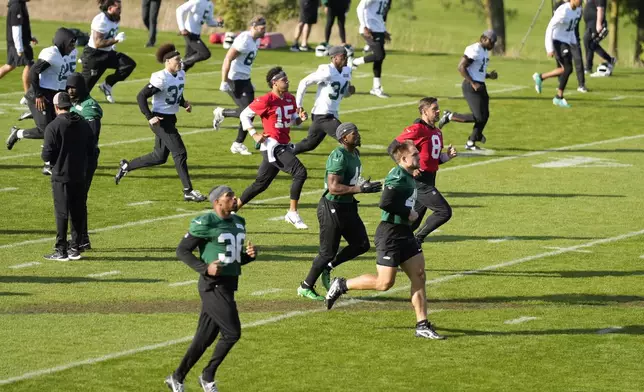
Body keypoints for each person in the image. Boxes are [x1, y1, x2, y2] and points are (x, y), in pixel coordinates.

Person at [325, 140, 445, 340]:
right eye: (415, 154)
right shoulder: (397, 176)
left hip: (404, 233)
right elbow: (385, 202)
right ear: (404, 159)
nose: (419, 156)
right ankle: (342, 284)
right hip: (390, 234)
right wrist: (408, 212)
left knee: (419, 275)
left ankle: (422, 324)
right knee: (384, 283)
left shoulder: (407, 173)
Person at [166, 185, 258, 392]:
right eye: (229, 196)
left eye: (234, 195)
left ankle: (176, 377)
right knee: (232, 333)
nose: (234, 198)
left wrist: (249, 256)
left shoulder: (238, 222)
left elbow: (233, 258)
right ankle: (207, 376)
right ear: (217, 202)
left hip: (228, 284)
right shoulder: (206, 222)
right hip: (212, 286)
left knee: (203, 338)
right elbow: (182, 250)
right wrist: (204, 268)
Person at [297, 123, 380, 301]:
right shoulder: (338, 155)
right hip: (332, 207)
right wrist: (360, 189)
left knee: (361, 244)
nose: (358, 135)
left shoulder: (354, 153)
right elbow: (334, 188)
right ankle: (305, 286)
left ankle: (328, 267)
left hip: (348, 206)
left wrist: (364, 185)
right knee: (327, 251)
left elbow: (351, 180)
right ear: (344, 138)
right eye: (354, 133)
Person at [114, 44, 206, 202]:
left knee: (159, 157)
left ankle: (126, 166)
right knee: (180, 153)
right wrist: (150, 116)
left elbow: (176, 92)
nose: (180, 62)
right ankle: (188, 191)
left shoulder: (180, 74)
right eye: (177, 59)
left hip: (171, 118)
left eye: (180, 59)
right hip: (160, 120)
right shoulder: (160, 77)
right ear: (167, 62)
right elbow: (141, 97)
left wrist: (184, 103)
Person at [236, 67, 310, 229]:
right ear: (274, 83)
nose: (288, 81)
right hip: (273, 145)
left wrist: (300, 119)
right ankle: (292, 213)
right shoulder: (266, 99)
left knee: (261, 184)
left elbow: (288, 121)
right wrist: (254, 134)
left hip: (283, 144)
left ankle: (233, 208)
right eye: (284, 80)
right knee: (300, 172)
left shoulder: (290, 99)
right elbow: (244, 115)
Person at [388, 97, 457, 246]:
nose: (438, 111)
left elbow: (433, 159)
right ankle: (417, 240)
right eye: (434, 109)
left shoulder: (437, 132)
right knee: (444, 212)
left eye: (438, 108)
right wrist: (408, 169)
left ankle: (395, 248)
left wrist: (447, 156)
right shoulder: (417, 129)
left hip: (430, 178)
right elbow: (392, 148)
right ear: (424, 111)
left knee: (412, 223)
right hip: (420, 181)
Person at [41, 92, 95, 261]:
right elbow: (91, 148)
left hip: (61, 175)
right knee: (78, 212)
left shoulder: (53, 126)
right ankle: (75, 247)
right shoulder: (83, 123)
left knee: (62, 213)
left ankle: (61, 249)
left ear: (56, 107)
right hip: (79, 174)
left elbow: (46, 155)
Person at [6, 28, 77, 156]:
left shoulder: (63, 55)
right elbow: (33, 72)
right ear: (63, 42)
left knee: (60, 127)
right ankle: (17, 133)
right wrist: (39, 95)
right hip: (39, 96)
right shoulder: (52, 53)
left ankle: (52, 159)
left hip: (51, 95)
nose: (72, 47)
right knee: (45, 131)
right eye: (71, 44)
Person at [212, 15, 267, 156]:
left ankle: (237, 142)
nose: (264, 30)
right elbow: (228, 58)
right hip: (234, 79)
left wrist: (249, 80)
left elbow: (245, 62)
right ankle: (236, 141)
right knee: (247, 112)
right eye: (261, 28)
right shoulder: (244, 40)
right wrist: (224, 80)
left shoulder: (257, 40)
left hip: (245, 79)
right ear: (253, 26)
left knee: (250, 112)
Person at [438, 30, 498, 151]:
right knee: (479, 117)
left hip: (480, 84)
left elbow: (477, 71)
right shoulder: (474, 49)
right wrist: (473, 83)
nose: (493, 45)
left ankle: (472, 141)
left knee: (485, 115)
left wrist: (488, 76)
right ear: (484, 39)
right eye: (492, 42)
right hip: (471, 86)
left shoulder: (484, 51)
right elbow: (461, 67)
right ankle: (450, 116)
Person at [292, 46, 354, 155]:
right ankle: (349, 168)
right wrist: (299, 105)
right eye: (343, 56)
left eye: (346, 56)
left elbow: (343, 94)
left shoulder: (347, 71)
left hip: (330, 114)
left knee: (310, 144)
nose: (346, 58)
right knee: (348, 138)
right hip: (323, 115)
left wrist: (349, 92)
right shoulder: (327, 71)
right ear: (334, 58)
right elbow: (304, 82)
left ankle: (287, 151)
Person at [66, 73, 103, 251]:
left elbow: (92, 135)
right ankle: (83, 238)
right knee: (77, 199)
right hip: (76, 158)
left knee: (77, 199)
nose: (70, 91)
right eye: (68, 87)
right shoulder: (74, 104)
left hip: (85, 158)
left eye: (73, 87)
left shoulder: (89, 107)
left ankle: (80, 238)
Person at [81, 0, 137, 103]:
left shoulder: (115, 18)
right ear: (110, 8)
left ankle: (107, 85)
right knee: (82, 92)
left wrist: (113, 45)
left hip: (107, 53)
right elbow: (98, 43)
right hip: (94, 56)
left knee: (128, 64)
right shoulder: (101, 20)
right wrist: (116, 40)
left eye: (120, 8)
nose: (120, 11)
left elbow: (109, 35)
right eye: (118, 8)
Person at [532, 0, 582, 108]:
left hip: (566, 42)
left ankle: (540, 77)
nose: (581, 1)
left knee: (564, 69)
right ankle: (558, 97)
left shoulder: (578, 10)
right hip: (557, 41)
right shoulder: (564, 10)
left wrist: (574, 42)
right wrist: (549, 48)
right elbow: (550, 27)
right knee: (568, 68)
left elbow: (571, 28)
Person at [350, 0, 392, 98]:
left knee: (379, 59)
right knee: (379, 55)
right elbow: (360, 7)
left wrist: (384, 30)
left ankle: (376, 87)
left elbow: (379, 14)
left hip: (379, 29)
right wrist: (364, 26)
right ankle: (354, 61)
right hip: (370, 29)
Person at [0, 0, 38, 105]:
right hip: (18, 43)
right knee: (29, 65)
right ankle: (28, 96)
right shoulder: (17, 6)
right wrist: (19, 48)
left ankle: (28, 95)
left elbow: (22, 27)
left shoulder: (19, 4)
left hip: (17, 42)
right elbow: (16, 29)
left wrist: (30, 37)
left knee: (9, 66)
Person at [176, 0, 223, 72]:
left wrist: (218, 23)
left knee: (189, 62)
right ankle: (182, 63)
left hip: (196, 34)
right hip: (189, 33)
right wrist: (182, 28)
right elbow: (179, 10)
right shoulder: (197, 1)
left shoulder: (210, 4)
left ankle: (176, 78)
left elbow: (209, 22)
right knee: (205, 54)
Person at [583, 0, 616, 75]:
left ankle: (588, 67)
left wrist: (598, 24)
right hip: (590, 23)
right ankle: (609, 59)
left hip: (595, 23)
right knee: (591, 44)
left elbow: (600, 9)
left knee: (588, 42)